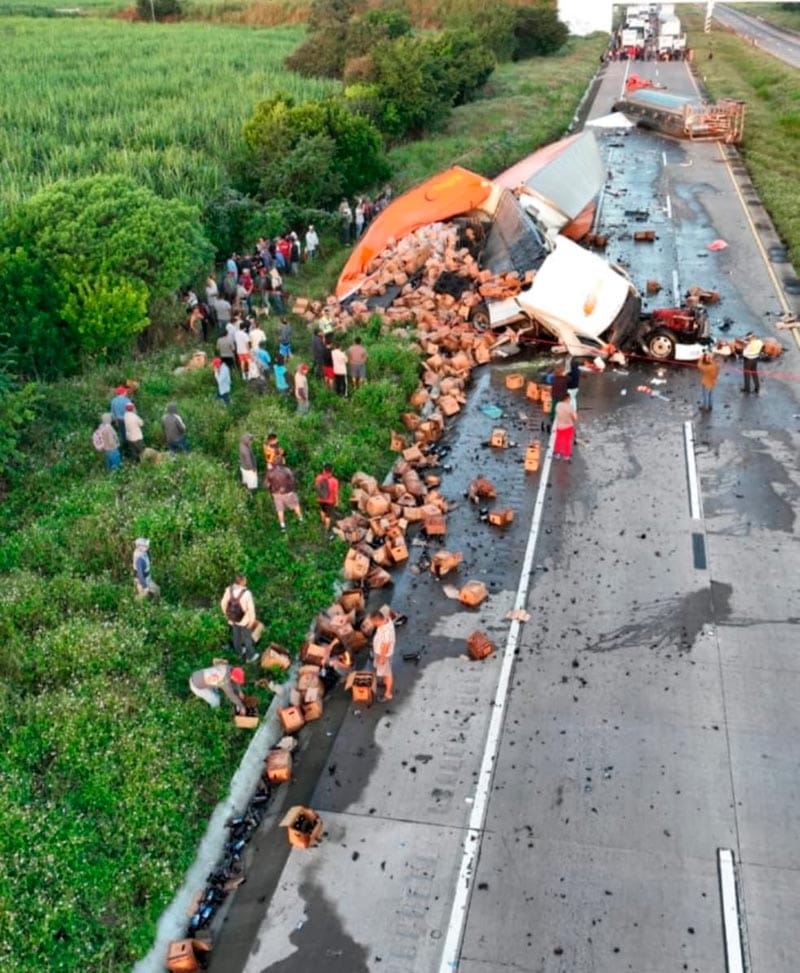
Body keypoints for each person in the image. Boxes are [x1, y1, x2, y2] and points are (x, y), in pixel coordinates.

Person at [220, 574, 258, 662]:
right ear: (242, 582)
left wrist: (227, 614)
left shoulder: (228, 590)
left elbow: (223, 603)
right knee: (247, 638)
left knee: (236, 636)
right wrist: (252, 621)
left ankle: (239, 653)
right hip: (244, 620)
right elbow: (251, 609)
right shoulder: (247, 593)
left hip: (233, 619)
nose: (246, 581)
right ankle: (250, 657)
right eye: (245, 580)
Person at [265, 453, 303, 531]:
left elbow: (266, 485)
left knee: (280, 510)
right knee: (296, 505)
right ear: (281, 462)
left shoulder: (270, 472)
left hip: (276, 494)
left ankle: (283, 526)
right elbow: (293, 481)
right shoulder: (287, 470)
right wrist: (293, 490)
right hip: (288, 493)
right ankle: (301, 520)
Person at [371, 609, 396, 701]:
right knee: (385, 671)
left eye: (374, 622)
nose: (373, 624)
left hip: (384, 655)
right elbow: (388, 610)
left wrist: (382, 657)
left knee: (388, 673)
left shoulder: (387, 632)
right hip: (381, 653)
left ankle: (388, 694)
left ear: (378, 621)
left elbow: (386, 645)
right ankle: (384, 682)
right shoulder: (386, 619)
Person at [553, 392, 578, 462]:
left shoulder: (558, 405)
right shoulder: (570, 407)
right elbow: (575, 418)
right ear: (567, 398)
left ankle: (557, 454)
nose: (570, 400)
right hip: (568, 427)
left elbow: (556, 413)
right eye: (569, 398)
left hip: (559, 426)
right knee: (567, 441)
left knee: (558, 440)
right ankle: (566, 455)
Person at [314, 462, 339, 532]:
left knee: (322, 510)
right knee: (328, 516)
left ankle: (322, 522)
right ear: (332, 470)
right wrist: (337, 502)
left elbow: (317, 487)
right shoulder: (334, 481)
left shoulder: (318, 478)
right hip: (330, 501)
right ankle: (326, 529)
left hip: (320, 499)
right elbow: (336, 493)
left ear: (323, 470)